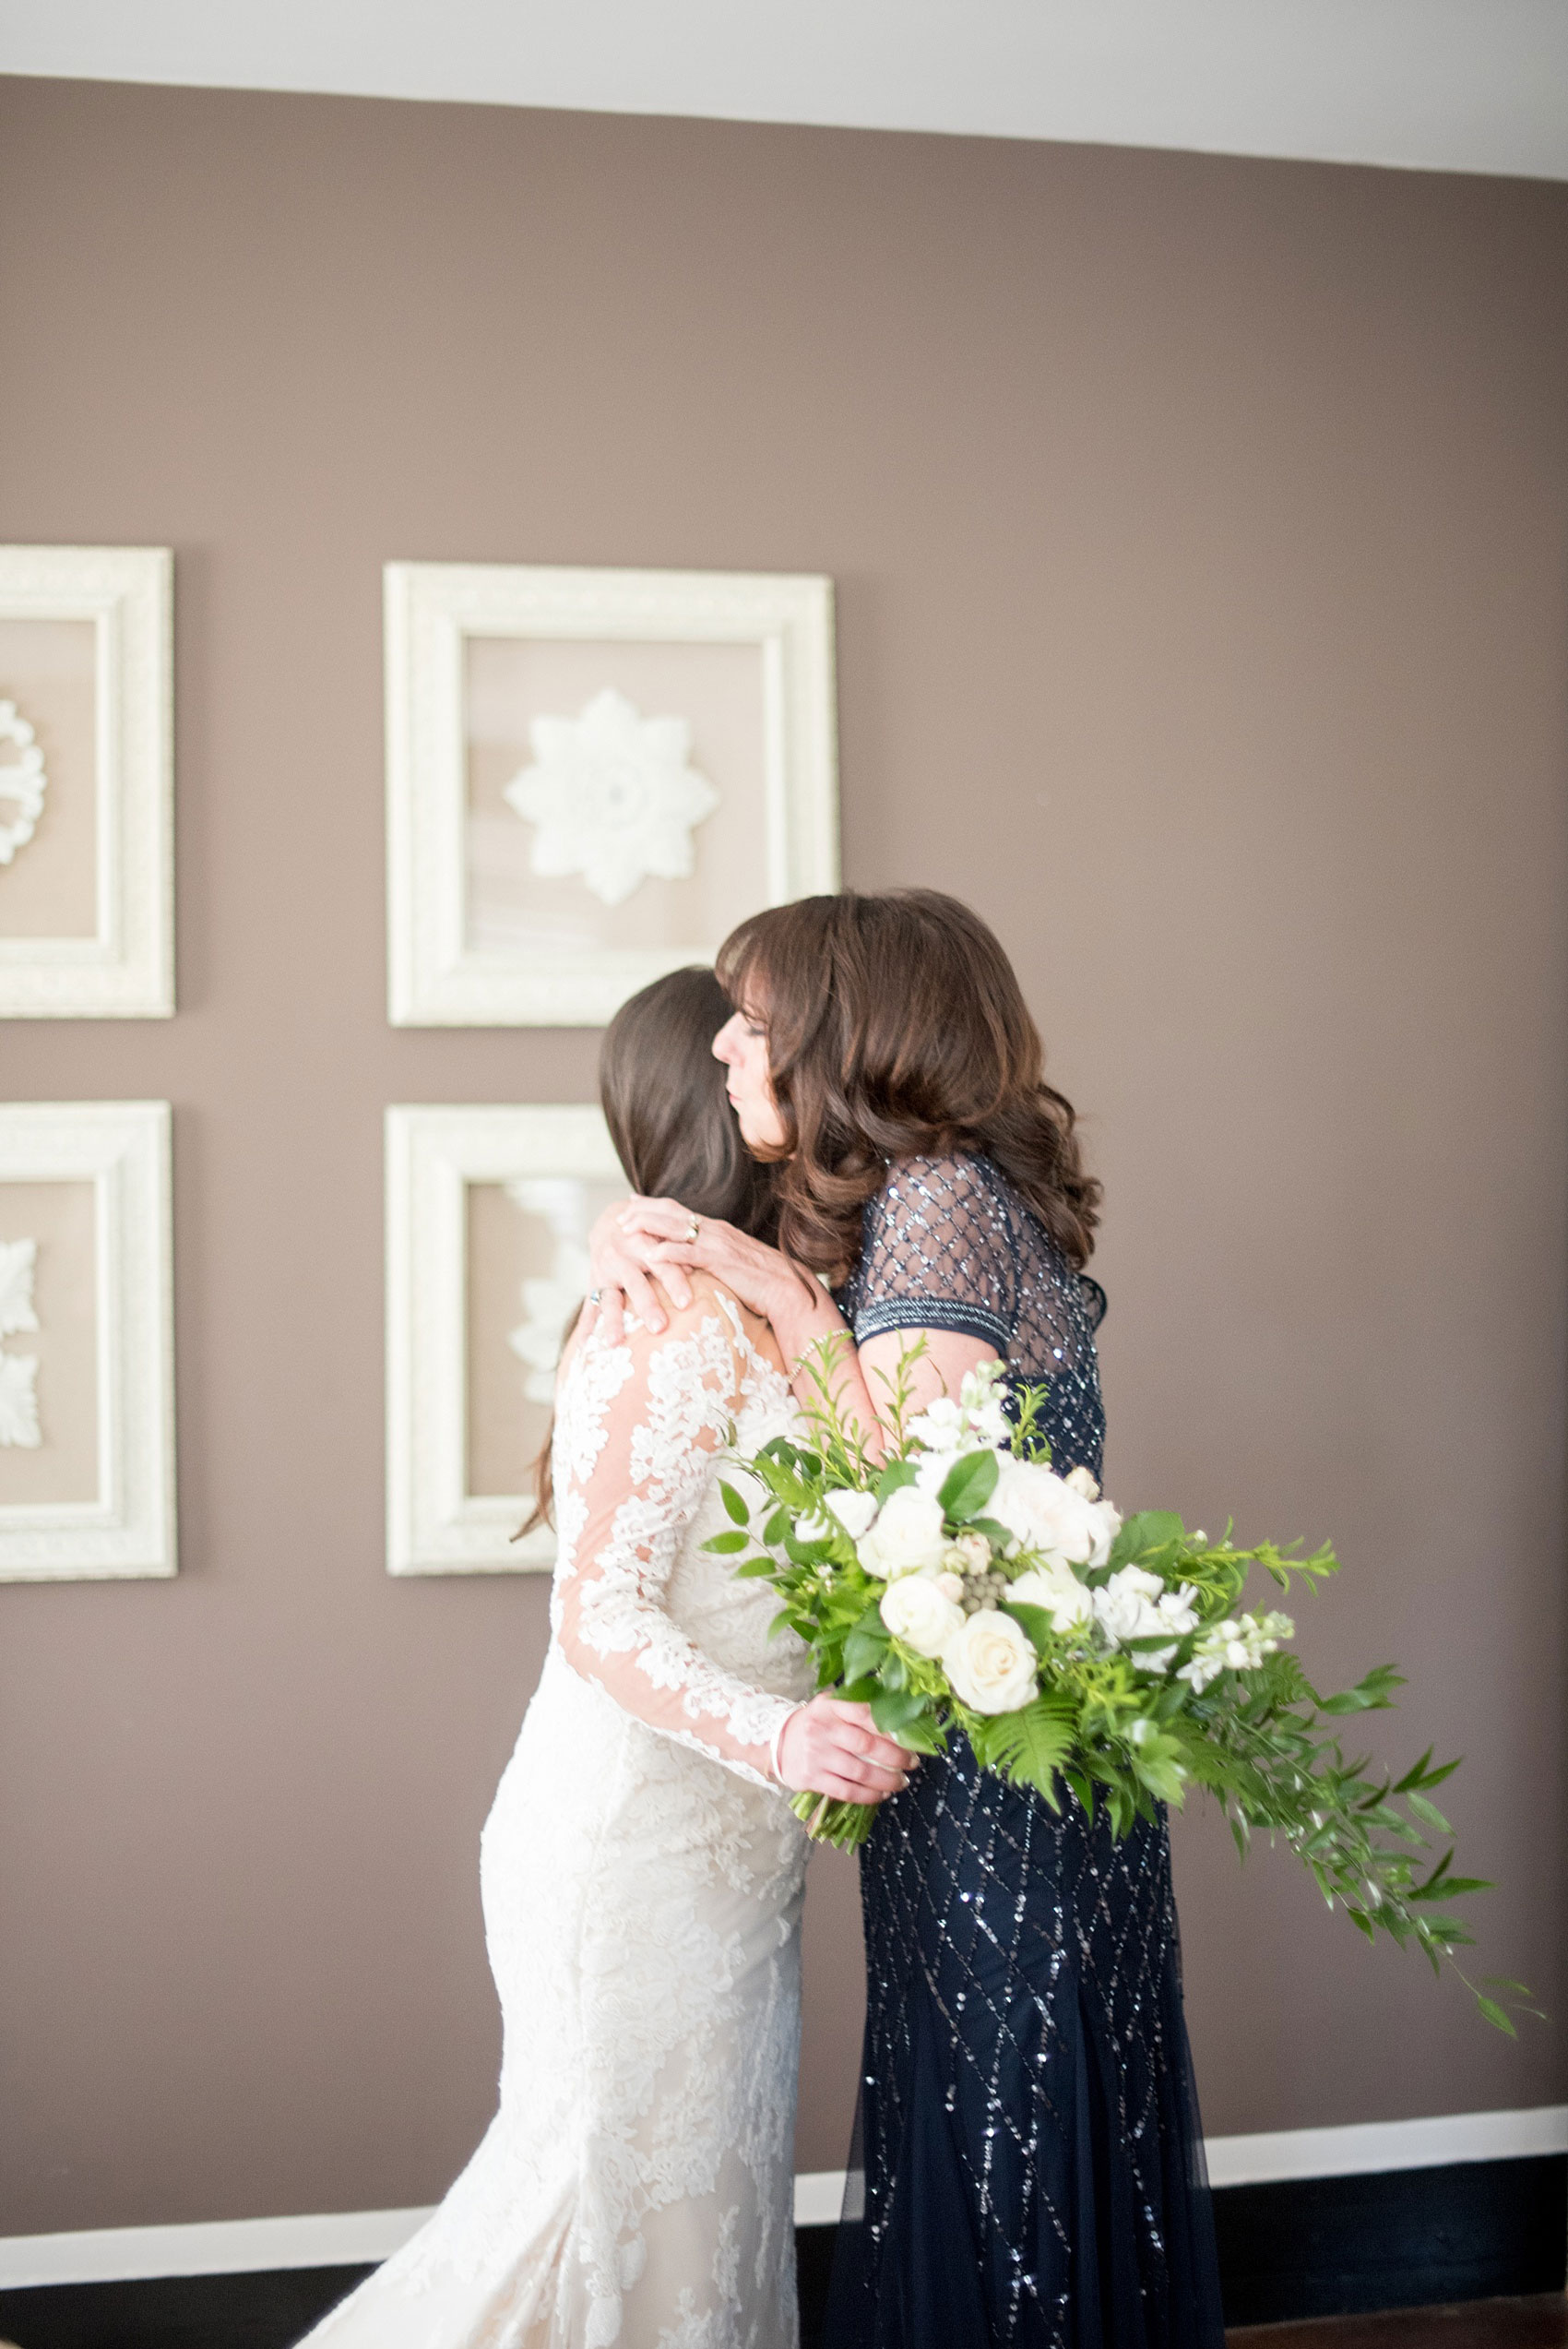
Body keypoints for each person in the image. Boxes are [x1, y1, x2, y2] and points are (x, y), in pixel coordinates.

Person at [590, 895, 1225, 2349]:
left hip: (1009, 1786)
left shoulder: (938, 1197)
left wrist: (766, 1289)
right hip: (1013, 1749)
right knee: (1024, 2139)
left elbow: (912, 1484)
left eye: (756, 1019)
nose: (732, 1044)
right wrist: (655, 1238)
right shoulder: (934, 1197)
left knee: (1007, 2157)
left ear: (845, 1033)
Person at [299, 968, 915, 2349]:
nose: (789, 1075)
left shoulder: (796, 1296)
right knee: (583, 2213)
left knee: (710, 2225)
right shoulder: (662, 1321)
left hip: (733, 1871)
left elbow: (897, 1491)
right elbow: (599, 1618)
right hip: (627, 1858)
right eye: (756, 1051)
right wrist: (781, 1736)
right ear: (717, 1094)